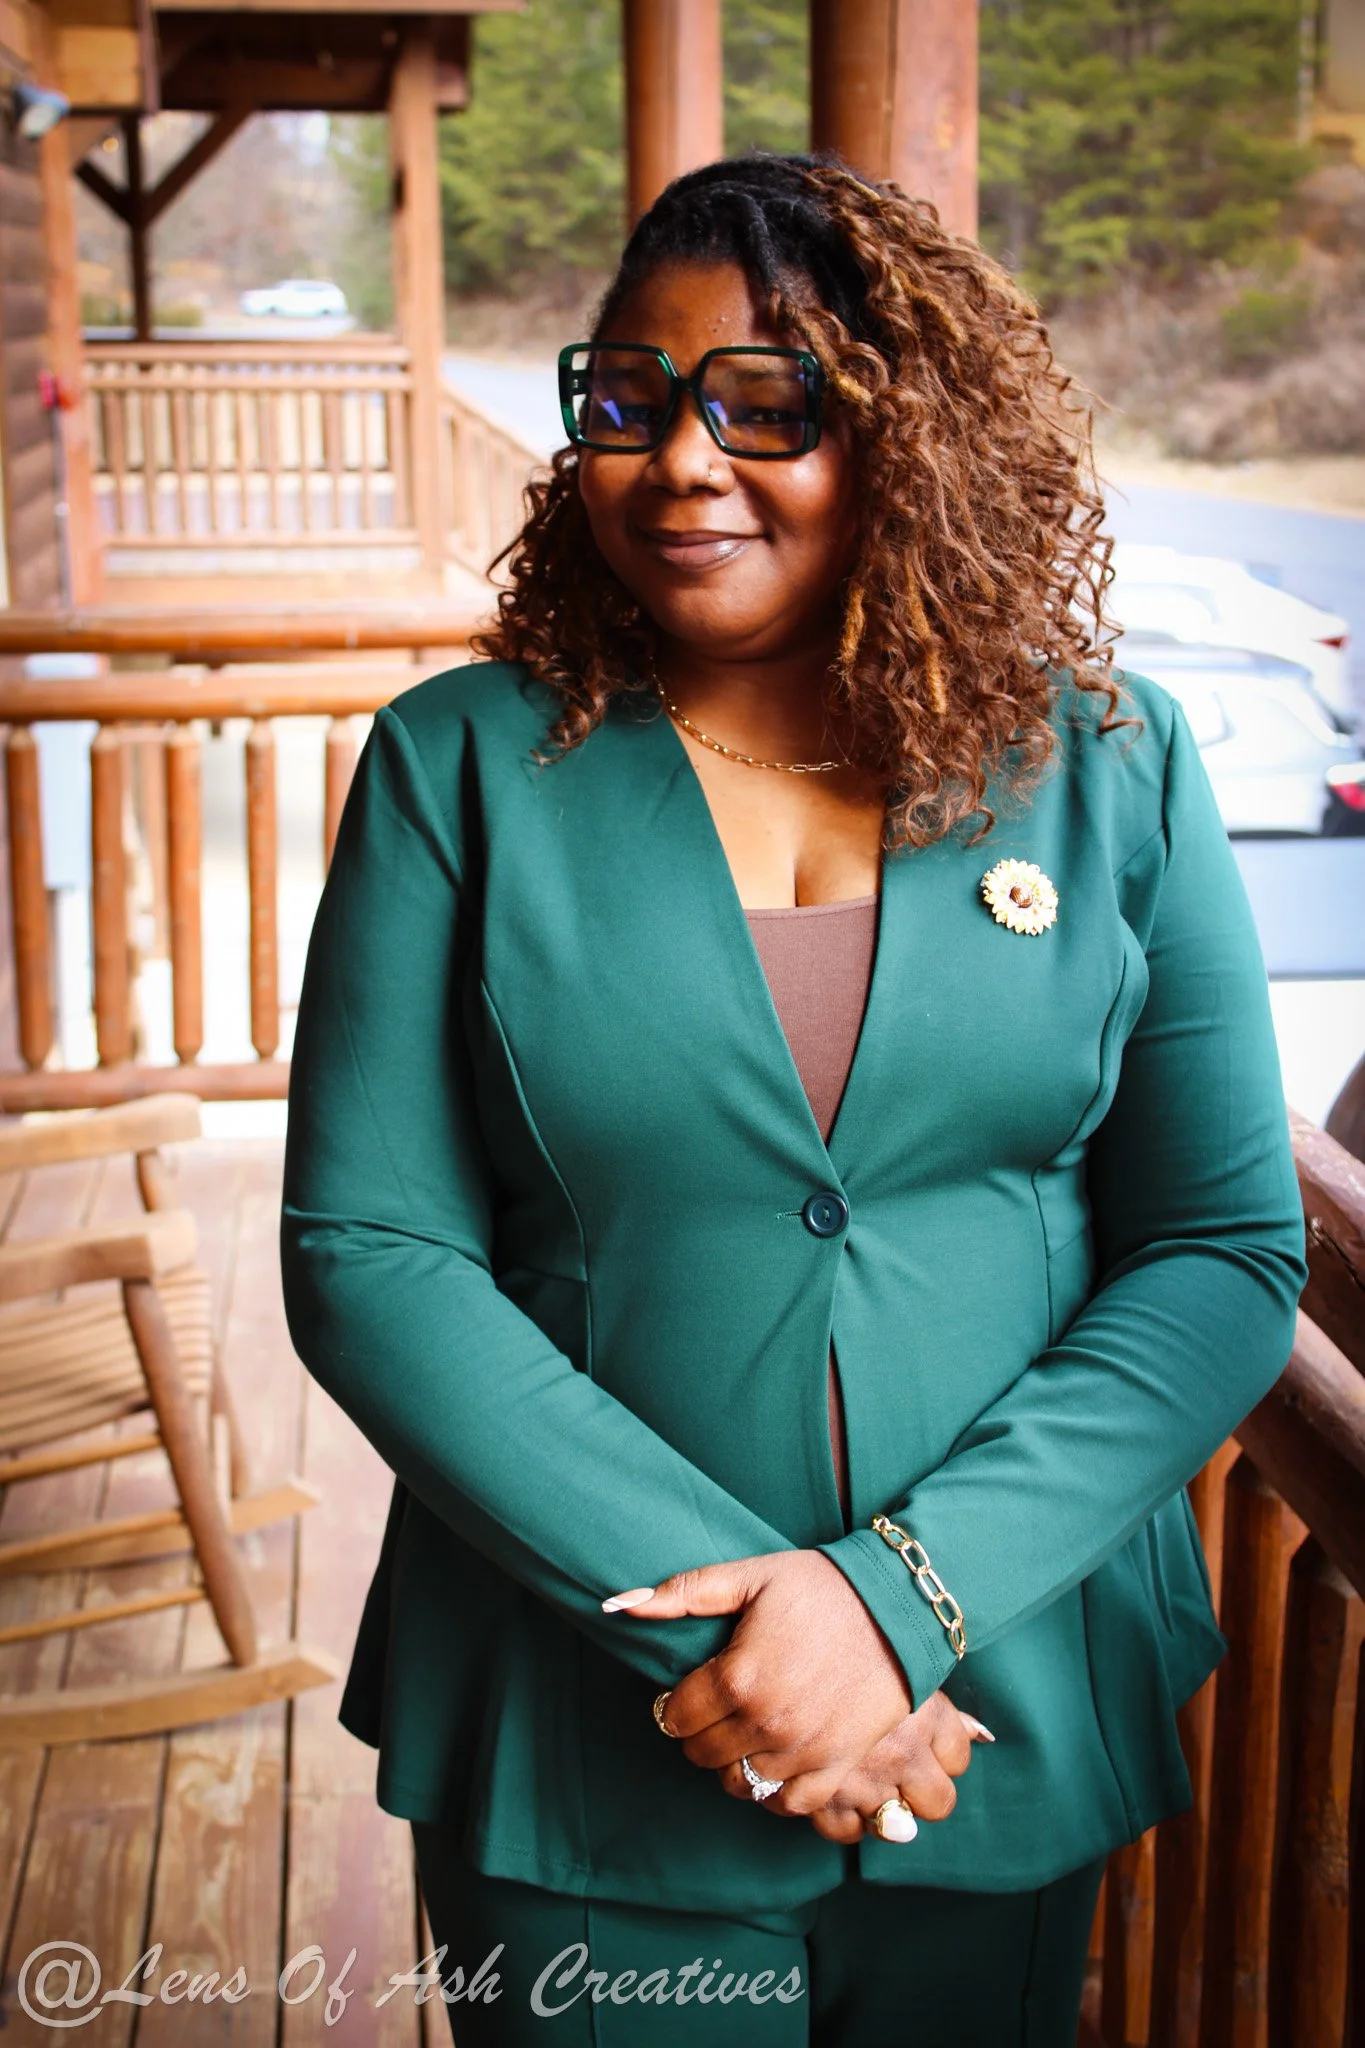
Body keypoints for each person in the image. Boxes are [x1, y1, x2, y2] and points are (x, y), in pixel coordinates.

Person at [279, 153, 1307, 2047]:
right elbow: (370, 1252)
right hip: (578, 1735)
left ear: (911, 441)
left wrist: (903, 1601)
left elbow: (1226, 1246)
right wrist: (758, 1646)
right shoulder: (462, 764)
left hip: (999, 1708)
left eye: (770, 403)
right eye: (629, 397)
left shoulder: (1110, 764)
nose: (681, 460)